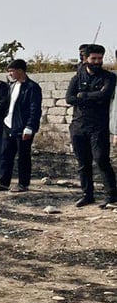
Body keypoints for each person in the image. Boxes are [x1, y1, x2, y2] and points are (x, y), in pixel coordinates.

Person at [66, 43, 117, 208]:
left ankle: (112, 196)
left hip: (98, 126)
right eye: (93, 58)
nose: (97, 62)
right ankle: (87, 195)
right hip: (78, 126)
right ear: (85, 59)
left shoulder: (108, 77)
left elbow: (105, 94)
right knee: (83, 163)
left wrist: (83, 95)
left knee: (101, 160)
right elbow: (69, 98)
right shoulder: (77, 78)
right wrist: (93, 96)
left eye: (100, 58)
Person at [0, 59, 42, 193]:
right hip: (9, 125)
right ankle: (3, 182)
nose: (10, 74)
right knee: (6, 154)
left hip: (23, 127)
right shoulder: (12, 86)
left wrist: (29, 127)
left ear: (20, 70)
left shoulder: (32, 87)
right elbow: (7, 104)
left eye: (12, 71)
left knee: (23, 156)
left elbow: (34, 109)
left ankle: (23, 184)